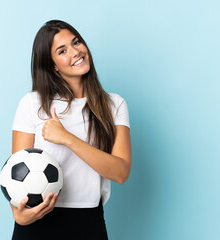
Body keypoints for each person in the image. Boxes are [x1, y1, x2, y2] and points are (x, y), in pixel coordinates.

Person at [10, 20, 132, 240]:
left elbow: (120, 172)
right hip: (39, 223)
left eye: (76, 42)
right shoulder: (32, 103)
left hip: (89, 223)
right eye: (62, 50)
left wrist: (67, 138)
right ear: (53, 65)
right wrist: (21, 217)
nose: (76, 52)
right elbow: (16, 176)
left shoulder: (114, 105)